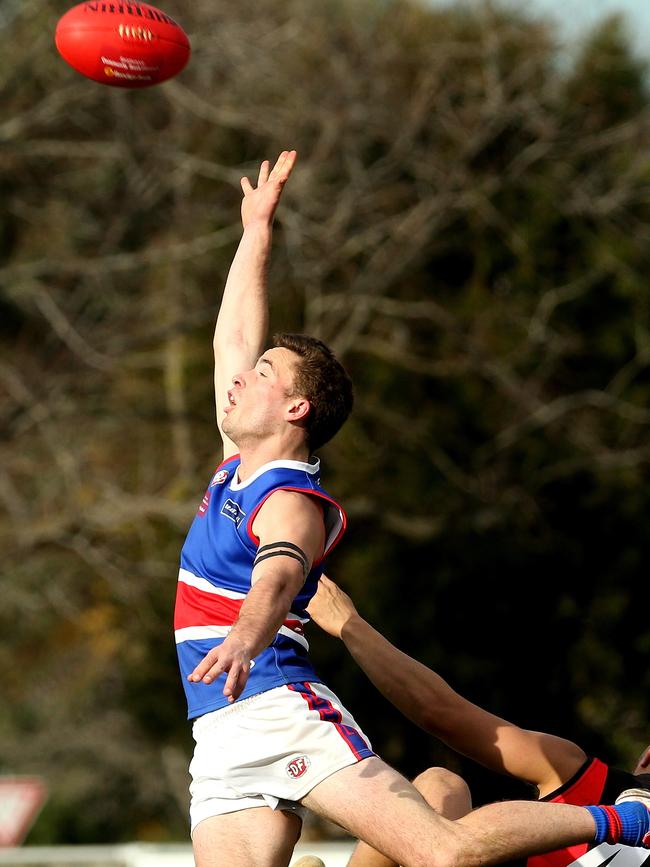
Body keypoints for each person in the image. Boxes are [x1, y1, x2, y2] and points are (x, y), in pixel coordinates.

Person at [172, 149, 650, 867]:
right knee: (436, 800)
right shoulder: (237, 467)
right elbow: (231, 339)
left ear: (296, 406)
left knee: (444, 852)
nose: (241, 379)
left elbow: (276, 574)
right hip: (219, 727)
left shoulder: (291, 499)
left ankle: (627, 821)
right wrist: (256, 237)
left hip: (277, 703)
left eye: (263, 374)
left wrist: (243, 636)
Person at [307, 573, 650, 867]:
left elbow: (441, 712)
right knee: (441, 787)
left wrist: (348, 625)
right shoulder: (587, 779)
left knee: (439, 786)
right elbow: (441, 714)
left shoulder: (588, 780)